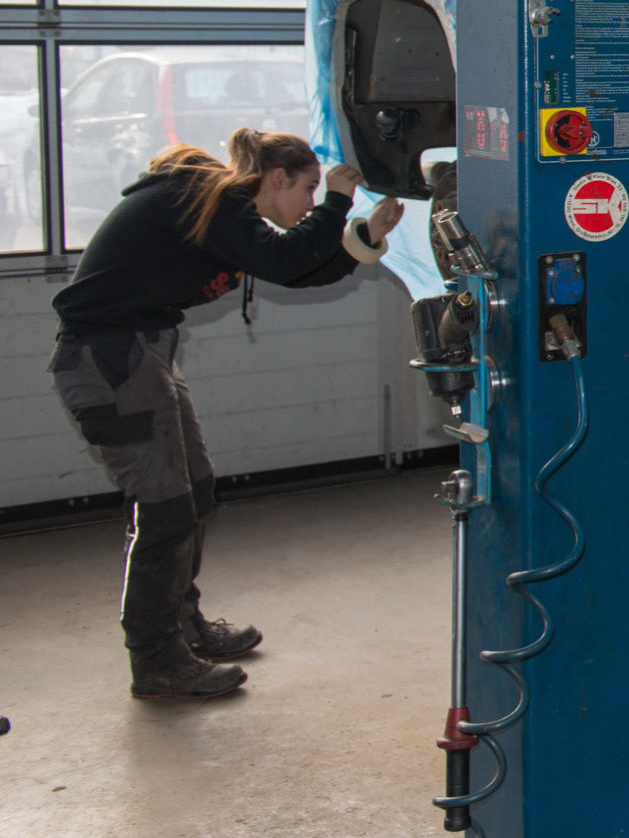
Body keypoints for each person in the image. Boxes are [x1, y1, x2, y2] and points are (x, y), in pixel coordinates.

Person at [50, 129, 404, 701]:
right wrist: (340, 202)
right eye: (308, 189)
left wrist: (363, 235)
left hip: (142, 353)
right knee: (163, 509)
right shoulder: (204, 196)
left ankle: (184, 627)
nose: (312, 203)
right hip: (110, 358)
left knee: (194, 489)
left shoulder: (225, 216)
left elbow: (298, 267)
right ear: (276, 179)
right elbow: (286, 260)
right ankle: (157, 659)